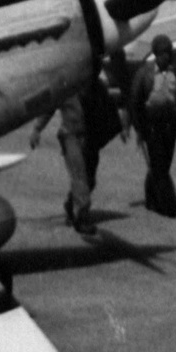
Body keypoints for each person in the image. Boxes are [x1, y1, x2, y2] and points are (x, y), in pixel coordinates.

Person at [30, 68, 123, 235]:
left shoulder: (96, 86)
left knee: (90, 180)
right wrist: (37, 129)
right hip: (70, 136)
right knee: (79, 176)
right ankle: (83, 218)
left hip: (91, 137)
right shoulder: (65, 88)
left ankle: (71, 203)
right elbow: (49, 108)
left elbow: (108, 108)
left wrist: (119, 126)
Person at [127, 35, 176, 218]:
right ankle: (168, 205)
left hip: (170, 125)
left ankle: (151, 199)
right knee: (159, 165)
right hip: (152, 125)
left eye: (167, 54)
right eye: (160, 54)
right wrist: (135, 127)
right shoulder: (145, 74)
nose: (164, 57)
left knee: (162, 164)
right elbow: (134, 100)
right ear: (155, 55)